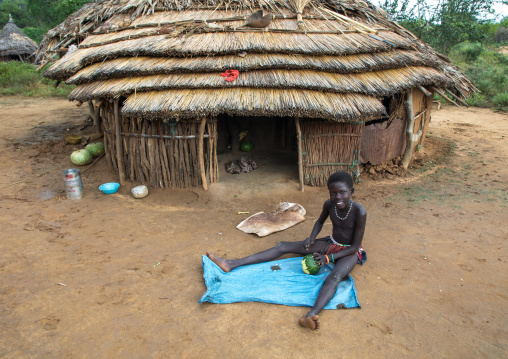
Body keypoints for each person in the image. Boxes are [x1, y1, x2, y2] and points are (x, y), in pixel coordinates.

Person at [207, 171, 367, 331]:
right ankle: (231, 263)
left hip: (349, 252)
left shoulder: (359, 212)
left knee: (335, 277)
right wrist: (311, 237)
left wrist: (328, 258)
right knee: (282, 246)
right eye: (333, 193)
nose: (337, 197)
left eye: (342, 192)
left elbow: (354, 247)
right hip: (331, 242)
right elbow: (319, 222)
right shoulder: (329, 204)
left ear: (351, 192)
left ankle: (310, 315)